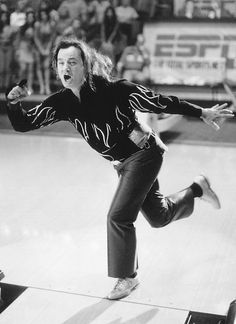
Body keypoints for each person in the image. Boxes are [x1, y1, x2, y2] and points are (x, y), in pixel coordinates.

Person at [5, 38, 234, 300]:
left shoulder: (114, 90)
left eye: (72, 62)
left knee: (118, 216)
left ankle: (127, 277)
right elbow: (24, 123)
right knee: (158, 217)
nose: (65, 67)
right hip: (122, 164)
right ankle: (197, 189)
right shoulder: (62, 102)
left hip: (144, 155)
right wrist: (13, 104)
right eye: (60, 63)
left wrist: (200, 111)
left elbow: (158, 102)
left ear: (85, 65)